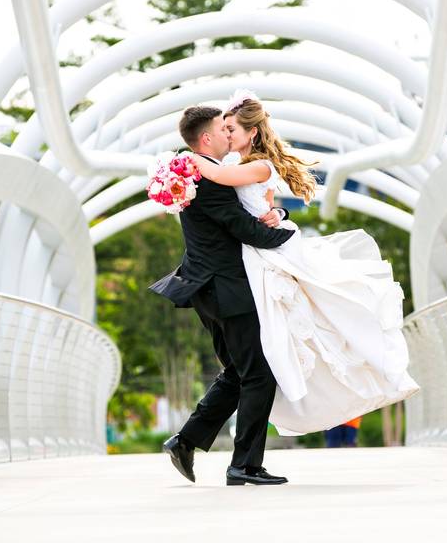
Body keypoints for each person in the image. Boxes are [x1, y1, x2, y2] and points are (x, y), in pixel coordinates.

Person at [190, 91, 419, 437]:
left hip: (265, 253)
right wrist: (277, 212)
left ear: (251, 133)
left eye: (232, 128)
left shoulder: (256, 165)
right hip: (251, 257)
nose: (227, 134)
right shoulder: (238, 164)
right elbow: (264, 204)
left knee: (304, 320)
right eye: (223, 128)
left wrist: (184, 160)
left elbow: (225, 182)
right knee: (269, 345)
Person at [149, 104, 294, 486]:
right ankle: (244, 465)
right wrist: (293, 237)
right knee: (260, 374)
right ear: (207, 138)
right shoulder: (207, 177)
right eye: (223, 129)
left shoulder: (195, 171)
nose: (229, 135)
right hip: (225, 288)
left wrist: (278, 214)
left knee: (238, 372)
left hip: (207, 288)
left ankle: (186, 441)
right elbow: (247, 230)